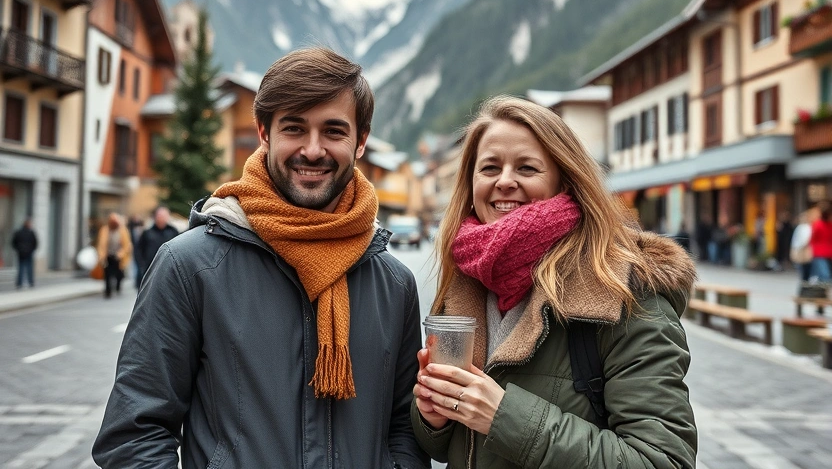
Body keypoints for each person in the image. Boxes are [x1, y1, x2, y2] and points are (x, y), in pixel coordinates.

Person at [93, 47, 429, 468]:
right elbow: (134, 434)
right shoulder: (189, 267)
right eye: (294, 128)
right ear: (264, 132)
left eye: (333, 131)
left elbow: (402, 426)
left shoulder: (394, 284)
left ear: (360, 141)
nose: (312, 149)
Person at [411, 96, 697, 468]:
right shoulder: (466, 281)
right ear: (471, 182)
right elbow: (450, 446)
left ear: (566, 181)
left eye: (527, 168)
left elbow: (663, 460)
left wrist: (504, 416)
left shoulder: (625, 292)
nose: (505, 181)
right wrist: (435, 417)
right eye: (490, 168)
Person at [134, 206, 179, 290]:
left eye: (164, 216)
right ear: (155, 217)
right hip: (150, 270)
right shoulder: (147, 233)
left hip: (169, 271)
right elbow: (138, 250)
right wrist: (141, 264)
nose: (161, 219)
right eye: (160, 216)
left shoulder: (173, 232)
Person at [95, 212, 132, 298]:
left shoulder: (122, 231)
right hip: (107, 255)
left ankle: (118, 285)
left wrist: (120, 254)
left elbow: (126, 245)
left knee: (119, 272)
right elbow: (101, 244)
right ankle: (108, 290)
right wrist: (101, 256)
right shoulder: (104, 230)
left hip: (118, 256)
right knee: (107, 273)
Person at [11, 218, 38, 288]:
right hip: (28, 253)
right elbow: (35, 243)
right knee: (29, 268)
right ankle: (30, 282)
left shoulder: (18, 232)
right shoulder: (31, 233)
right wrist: (32, 250)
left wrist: (18, 249)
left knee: (21, 268)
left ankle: (19, 283)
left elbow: (13, 242)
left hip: (21, 253)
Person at [809, 200, 832, 283]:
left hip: (819, 252)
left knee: (824, 275)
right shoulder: (829, 225)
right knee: (823, 274)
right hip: (828, 252)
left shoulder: (817, 225)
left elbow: (812, 238)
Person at [790, 210, 814, 283]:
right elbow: (796, 239)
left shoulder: (809, 227)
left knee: (807, 267)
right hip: (801, 249)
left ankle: (806, 282)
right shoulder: (800, 227)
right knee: (802, 267)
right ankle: (804, 282)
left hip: (806, 249)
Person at [126, 213, 145, 289]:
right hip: (133, 249)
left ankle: (138, 282)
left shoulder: (143, 230)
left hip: (139, 250)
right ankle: (137, 282)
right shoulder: (130, 229)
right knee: (135, 266)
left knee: (138, 266)